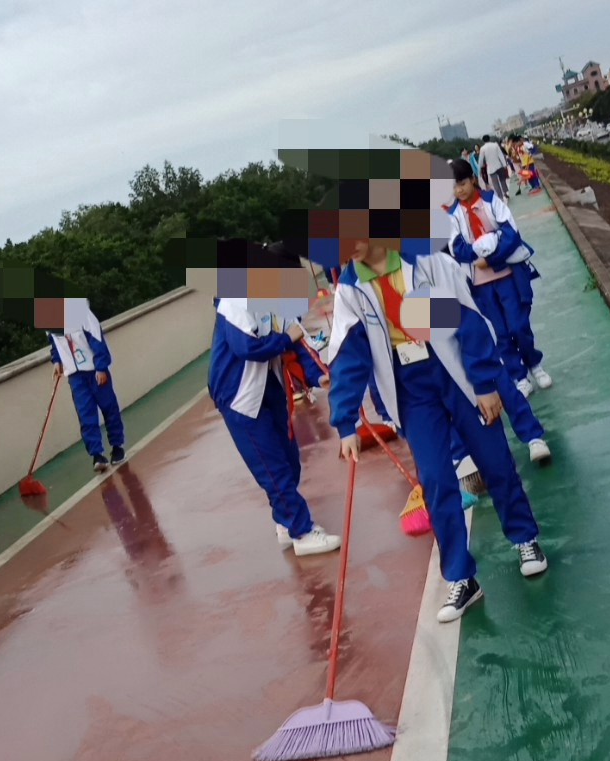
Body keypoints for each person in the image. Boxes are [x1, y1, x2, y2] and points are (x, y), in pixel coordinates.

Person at [327, 237, 548, 623]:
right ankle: (462, 577)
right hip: (411, 389)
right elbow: (349, 355)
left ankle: (525, 538)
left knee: (495, 461)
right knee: (435, 480)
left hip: (455, 372)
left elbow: (467, 320)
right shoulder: (350, 288)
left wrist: (483, 383)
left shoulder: (424, 260)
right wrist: (345, 421)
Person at [208, 244, 342, 556]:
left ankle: (286, 521)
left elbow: (298, 343)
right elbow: (247, 347)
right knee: (271, 466)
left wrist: (318, 375)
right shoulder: (235, 299)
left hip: (268, 384)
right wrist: (285, 338)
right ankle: (302, 532)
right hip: (238, 394)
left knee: (289, 458)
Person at [445, 158, 551, 397]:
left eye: (462, 183)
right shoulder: (452, 216)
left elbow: (512, 234)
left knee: (519, 325)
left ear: (473, 179)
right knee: (500, 332)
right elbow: (457, 249)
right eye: (454, 186)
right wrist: (482, 251)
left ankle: (534, 364)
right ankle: (518, 375)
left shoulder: (492, 201)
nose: (459, 190)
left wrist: (490, 259)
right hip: (480, 284)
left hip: (507, 275)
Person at [49, 298, 125, 471]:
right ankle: (97, 455)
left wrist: (101, 367)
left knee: (109, 408)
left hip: (94, 371)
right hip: (75, 376)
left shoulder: (81, 312)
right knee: (85, 414)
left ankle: (117, 447)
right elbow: (54, 343)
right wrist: (57, 361)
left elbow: (96, 338)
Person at [478, 135, 510, 201]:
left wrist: (480, 168)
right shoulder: (495, 145)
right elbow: (500, 155)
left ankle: (500, 197)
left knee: (495, 183)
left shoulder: (482, 148)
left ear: (483, 141)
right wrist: (504, 164)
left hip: (491, 168)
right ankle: (505, 192)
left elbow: (481, 159)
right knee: (502, 180)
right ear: (489, 139)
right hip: (499, 165)